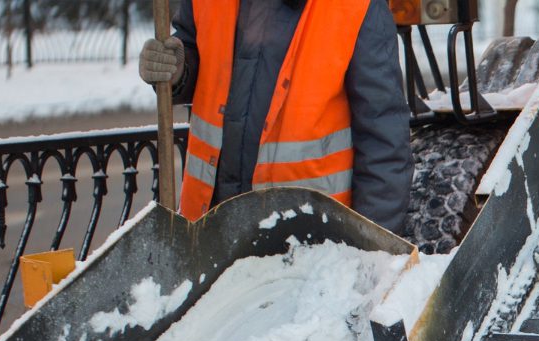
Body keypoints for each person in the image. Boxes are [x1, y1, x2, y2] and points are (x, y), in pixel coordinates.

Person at [139, 0, 412, 232]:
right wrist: (178, 69)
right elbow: (198, 54)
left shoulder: (356, 6)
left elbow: (383, 137)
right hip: (209, 229)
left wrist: (374, 249)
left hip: (311, 243)